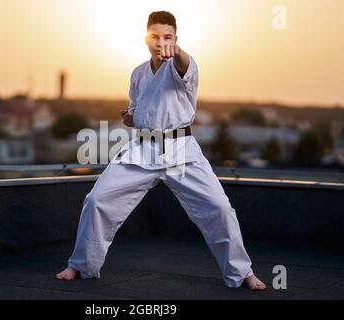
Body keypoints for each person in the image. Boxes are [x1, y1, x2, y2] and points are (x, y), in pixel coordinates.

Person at [56, 11, 266, 290]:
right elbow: (136, 110)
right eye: (155, 36)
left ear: (175, 39)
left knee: (220, 208)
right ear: (146, 38)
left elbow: (183, 62)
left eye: (167, 37)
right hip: (142, 150)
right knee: (96, 200)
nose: (161, 42)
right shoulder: (138, 73)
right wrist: (131, 118)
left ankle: (242, 273)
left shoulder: (182, 66)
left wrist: (176, 52)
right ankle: (80, 266)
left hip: (181, 151)